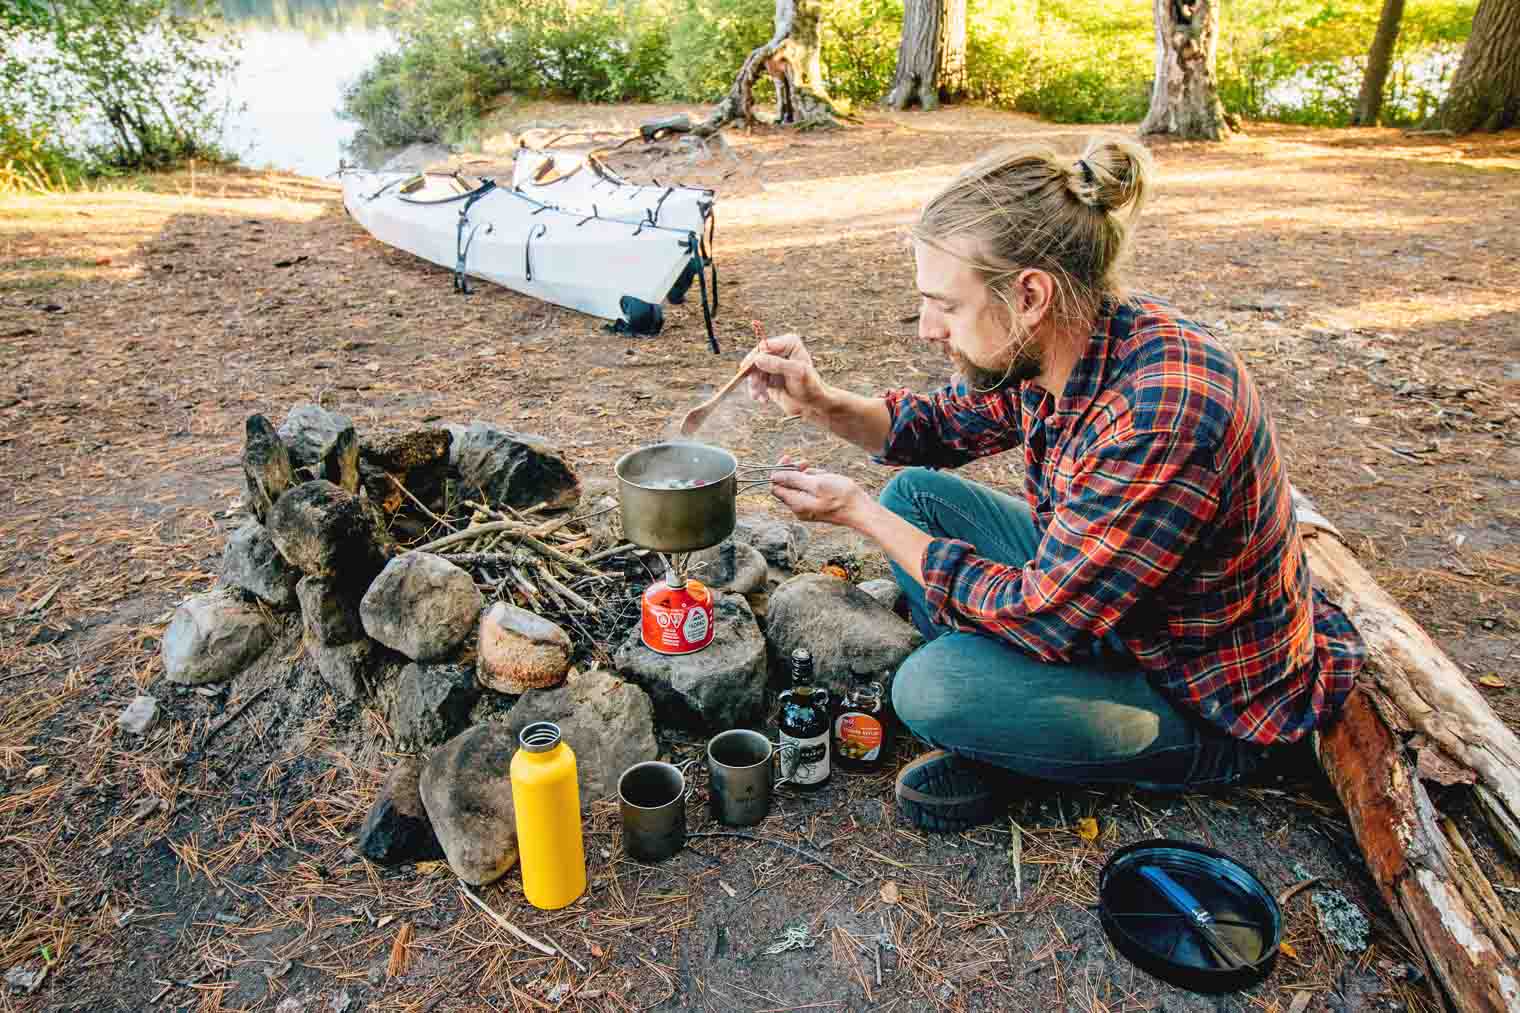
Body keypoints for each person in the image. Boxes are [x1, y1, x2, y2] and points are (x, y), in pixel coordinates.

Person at [746, 135, 1366, 833]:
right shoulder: (1071, 339)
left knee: (931, 684)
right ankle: (1014, 713)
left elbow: (1049, 617)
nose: (928, 330)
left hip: (1204, 692)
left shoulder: (1160, 413)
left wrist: (860, 515)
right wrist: (823, 401)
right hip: (1115, 607)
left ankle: (1022, 739)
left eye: (944, 305)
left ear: (1030, 294)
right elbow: (938, 425)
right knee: (916, 497)